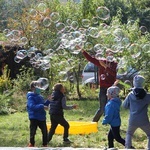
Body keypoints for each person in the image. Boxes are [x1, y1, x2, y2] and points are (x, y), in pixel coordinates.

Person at [81, 48, 118, 122]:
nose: (110, 55)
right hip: (103, 88)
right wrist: (83, 51)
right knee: (102, 108)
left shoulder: (115, 64)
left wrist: (105, 66)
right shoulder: (101, 62)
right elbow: (91, 59)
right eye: (108, 53)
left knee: (111, 107)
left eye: (111, 54)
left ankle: (112, 124)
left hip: (111, 89)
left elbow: (114, 74)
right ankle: (93, 122)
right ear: (106, 55)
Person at [122, 75, 150, 149]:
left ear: (134, 83)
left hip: (133, 119)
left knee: (129, 134)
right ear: (143, 83)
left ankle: (127, 148)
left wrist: (130, 107)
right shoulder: (147, 96)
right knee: (149, 134)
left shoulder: (130, 95)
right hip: (144, 119)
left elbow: (124, 106)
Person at [26, 81, 51, 147]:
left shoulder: (40, 97)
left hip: (42, 117)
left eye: (40, 86)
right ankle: (31, 144)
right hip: (34, 117)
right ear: (32, 88)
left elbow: (43, 105)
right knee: (33, 132)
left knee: (45, 132)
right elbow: (32, 107)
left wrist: (48, 101)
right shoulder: (30, 97)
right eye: (38, 87)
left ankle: (45, 144)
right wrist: (42, 106)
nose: (40, 88)